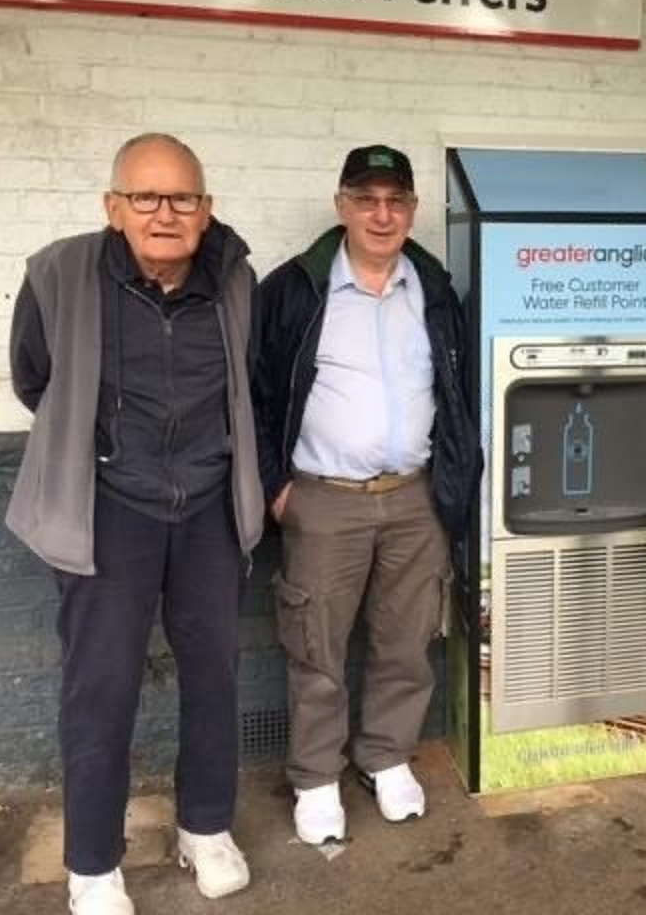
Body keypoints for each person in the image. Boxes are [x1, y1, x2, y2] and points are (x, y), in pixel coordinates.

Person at [6, 133, 263, 913]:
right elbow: (34, 379)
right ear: (113, 207)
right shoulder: (59, 273)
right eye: (145, 197)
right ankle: (91, 862)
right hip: (108, 510)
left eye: (182, 197)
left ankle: (206, 828)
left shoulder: (235, 278)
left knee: (214, 676)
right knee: (101, 687)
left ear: (206, 208)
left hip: (209, 510)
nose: (164, 213)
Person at [252, 144, 479, 845]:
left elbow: (457, 390)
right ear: (341, 205)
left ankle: (384, 757)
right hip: (323, 498)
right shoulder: (293, 289)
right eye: (366, 199)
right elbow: (255, 395)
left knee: (407, 640)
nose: (382, 215)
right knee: (316, 645)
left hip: (414, 497)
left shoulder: (433, 289)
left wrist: (452, 479)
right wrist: (274, 488)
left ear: (412, 208)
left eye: (396, 201)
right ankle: (317, 776)